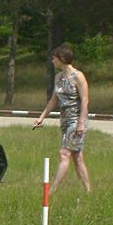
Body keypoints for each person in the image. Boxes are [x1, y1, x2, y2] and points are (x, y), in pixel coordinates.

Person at [33, 44, 91, 193]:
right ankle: (88, 190)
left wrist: (80, 123)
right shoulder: (58, 77)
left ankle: (52, 190)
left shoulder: (78, 76)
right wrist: (41, 117)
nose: (52, 61)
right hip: (64, 120)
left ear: (62, 59)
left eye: (54, 58)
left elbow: (85, 100)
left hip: (77, 119)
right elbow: (54, 99)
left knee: (64, 153)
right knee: (77, 157)